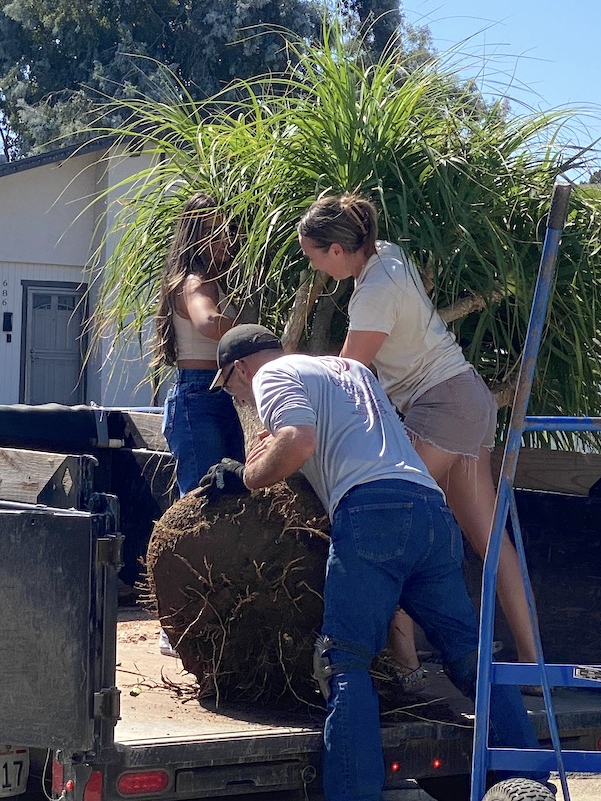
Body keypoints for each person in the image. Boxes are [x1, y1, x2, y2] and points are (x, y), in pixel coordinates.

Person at [199, 324, 545, 801]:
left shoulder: (272, 375)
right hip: (427, 508)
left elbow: (298, 441)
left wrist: (245, 477)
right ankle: (526, 782)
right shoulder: (347, 370)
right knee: (470, 654)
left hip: (370, 515)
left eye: (233, 387)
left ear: (239, 368)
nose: (244, 396)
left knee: (344, 661)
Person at [296, 192, 539, 675]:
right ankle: (532, 666)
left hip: (443, 407)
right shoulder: (387, 255)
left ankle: (405, 666)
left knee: (392, 514)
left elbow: (347, 375)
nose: (316, 268)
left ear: (338, 251)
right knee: (489, 540)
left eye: (315, 257)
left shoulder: (372, 293)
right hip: (468, 400)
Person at [155, 192, 244, 497]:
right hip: (200, 397)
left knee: (232, 495)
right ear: (194, 237)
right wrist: (257, 338)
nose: (223, 240)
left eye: (226, 231)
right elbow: (207, 322)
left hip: (224, 393)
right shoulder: (195, 281)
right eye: (211, 231)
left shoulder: (220, 280)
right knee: (204, 500)